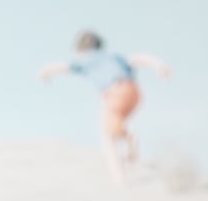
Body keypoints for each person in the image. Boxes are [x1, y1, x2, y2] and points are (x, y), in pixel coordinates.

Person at [40, 30, 168, 186]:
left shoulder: (87, 59)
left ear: (81, 50)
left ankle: (119, 178)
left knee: (108, 138)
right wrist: (158, 65)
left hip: (114, 93)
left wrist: (45, 72)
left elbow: (63, 66)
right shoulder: (114, 56)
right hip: (133, 91)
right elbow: (137, 59)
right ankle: (128, 140)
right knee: (116, 125)